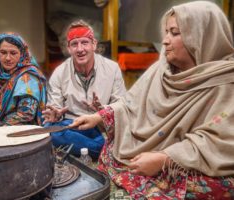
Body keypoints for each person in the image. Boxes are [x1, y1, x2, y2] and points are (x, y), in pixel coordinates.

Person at [71, 1, 234, 199]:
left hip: (187, 160)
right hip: (148, 143)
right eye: (166, 32)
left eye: (174, 33)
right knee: (102, 145)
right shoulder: (161, 70)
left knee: (219, 186)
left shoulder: (225, 83)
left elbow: (218, 142)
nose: (165, 40)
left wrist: (164, 159)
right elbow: (131, 104)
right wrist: (99, 116)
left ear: (201, 37)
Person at [43, 20, 126, 159]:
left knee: (127, 128)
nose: (80, 49)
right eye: (74, 44)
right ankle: (106, 150)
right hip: (74, 127)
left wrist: (102, 110)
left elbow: (123, 104)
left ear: (94, 45)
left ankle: (97, 148)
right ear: (69, 48)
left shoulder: (112, 68)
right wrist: (56, 114)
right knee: (49, 130)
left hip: (101, 126)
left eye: (84, 42)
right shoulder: (59, 73)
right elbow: (54, 107)